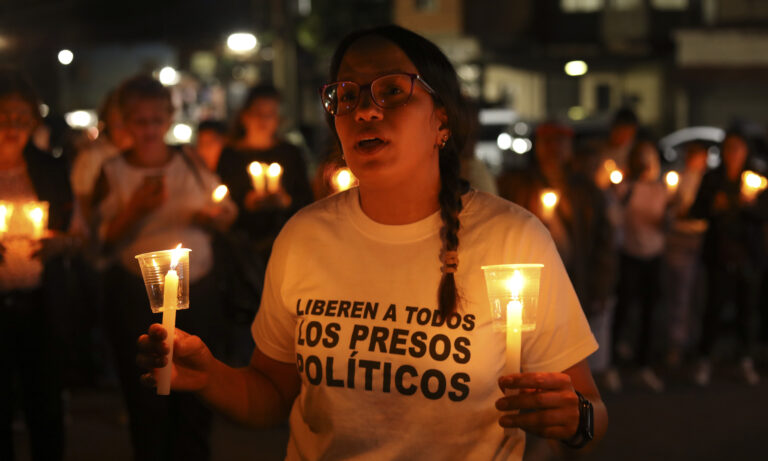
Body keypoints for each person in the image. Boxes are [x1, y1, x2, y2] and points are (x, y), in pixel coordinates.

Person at [137, 26, 607, 460]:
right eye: (346, 94)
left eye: (391, 90)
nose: (364, 110)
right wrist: (210, 377)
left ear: (441, 118)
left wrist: (573, 418)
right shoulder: (305, 237)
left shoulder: (513, 239)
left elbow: (591, 410)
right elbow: (273, 395)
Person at [94, 74, 236, 461]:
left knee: (196, 390)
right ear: (124, 121)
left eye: (157, 119)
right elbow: (100, 239)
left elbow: (222, 208)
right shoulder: (113, 171)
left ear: (170, 118)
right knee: (148, 393)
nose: (150, 129)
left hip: (199, 291)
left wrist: (212, 217)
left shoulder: (188, 160)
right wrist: (136, 209)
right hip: (138, 294)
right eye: (140, 121)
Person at [0, 68, 77, 461]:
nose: (13, 127)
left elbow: (73, 230)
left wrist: (60, 245)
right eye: (3, 117)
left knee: (44, 407)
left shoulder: (48, 167)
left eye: (22, 118)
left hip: (41, 305)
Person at [689, 130, 766, 386]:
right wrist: (714, 205)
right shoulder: (712, 179)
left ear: (746, 152)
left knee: (747, 308)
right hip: (718, 254)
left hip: (747, 255)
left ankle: (744, 359)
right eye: (729, 148)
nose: (734, 154)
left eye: (739, 149)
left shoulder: (756, 179)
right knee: (714, 306)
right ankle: (704, 359)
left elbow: (763, 214)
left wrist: (750, 205)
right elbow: (696, 211)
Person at [216, 84, 313, 259]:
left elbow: (306, 197)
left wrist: (286, 201)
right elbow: (220, 197)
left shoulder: (290, 153)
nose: (264, 120)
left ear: (278, 119)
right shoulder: (231, 155)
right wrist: (245, 203)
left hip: (287, 241)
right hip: (241, 249)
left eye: (270, 114)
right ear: (244, 116)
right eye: (258, 113)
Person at [609, 140, 669, 392]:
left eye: (650, 157)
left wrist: (670, 217)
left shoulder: (661, 189)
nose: (646, 163)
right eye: (641, 158)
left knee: (649, 312)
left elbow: (665, 223)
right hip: (630, 255)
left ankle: (643, 365)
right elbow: (615, 219)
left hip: (654, 256)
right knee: (622, 310)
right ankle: (610, 365)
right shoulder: (626, 189)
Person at [663, 142, 708, 368]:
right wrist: (674, 206)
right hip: (680, 239)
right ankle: (676, 344)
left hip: (702, 241)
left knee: (698, 294)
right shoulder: (677, 178)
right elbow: (667, 210)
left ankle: (694, 341)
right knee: (679, 293)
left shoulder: (707, 181)